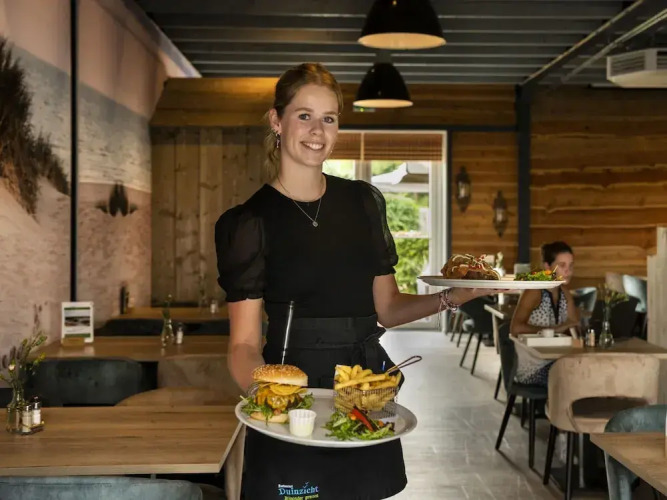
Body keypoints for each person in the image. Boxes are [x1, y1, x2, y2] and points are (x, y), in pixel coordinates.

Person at [215, 63, 504, 500]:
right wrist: (271, 399)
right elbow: (243, 345)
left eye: (329, 118)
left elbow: (387, 308)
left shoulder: (362, 203)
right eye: (304, 115)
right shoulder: (249, 222)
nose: (317, 131)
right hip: (295, 394)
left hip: (364, 389)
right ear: (277, 120)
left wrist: (454, 297)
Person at [510, 241, 580, 386]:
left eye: (571, 265)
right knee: (579, 379)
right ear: (547, 267)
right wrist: (554, 330)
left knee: (590, 373)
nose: (568, 271)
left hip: (558, 362)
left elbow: (574, 327)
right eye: (562, 265)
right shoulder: (534, 291)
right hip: (534, 369)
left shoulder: (565, 294)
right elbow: (515, 329)